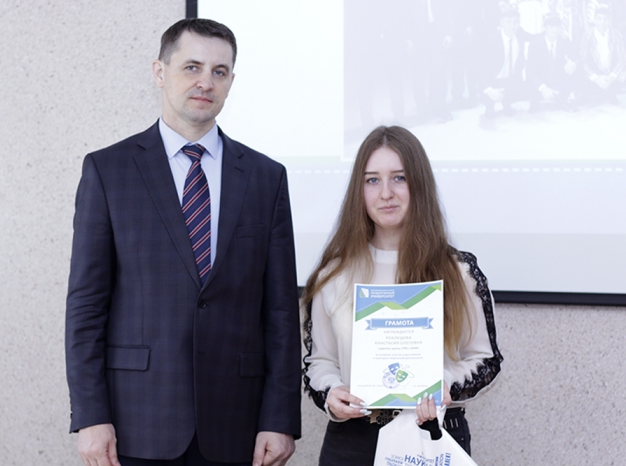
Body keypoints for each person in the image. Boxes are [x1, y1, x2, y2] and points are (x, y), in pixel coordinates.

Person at [65, 18, 301, 466]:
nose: (205, 82)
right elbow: (86, 306)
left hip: (238, 423)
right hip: (138, 422)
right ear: (160, 72)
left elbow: (281, 312)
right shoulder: (109, 171)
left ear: (231, 81)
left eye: (219, 71)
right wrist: (91, 415)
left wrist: (280, 417)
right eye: (192, 67)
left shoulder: (266, 177)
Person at [301, 126, 503, 465]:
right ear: (358, 190)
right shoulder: (333, 275)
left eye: (399, 178)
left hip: (432, 436)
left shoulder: (459, 272)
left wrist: (443, 384)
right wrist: (333, 392)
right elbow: (320, 362)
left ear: (419, 184)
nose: (386, 193)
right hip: (352, 442)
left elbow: (486, 360)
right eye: (372, 180)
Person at [526, 13, 578, 111]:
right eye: (551, 27)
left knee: (575, 69)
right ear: (545, 28)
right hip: (541, 83)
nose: (555, 30)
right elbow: (529, 72)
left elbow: (576, 56)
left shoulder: (563, 41)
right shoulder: (535, 44)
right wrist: (543, 87)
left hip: (557, 81)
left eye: (557, 27)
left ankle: (562, 99)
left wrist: (573, 63)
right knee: (532, 87)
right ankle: (535, 100)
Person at [579, 5, 626, 104]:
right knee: (580, 76)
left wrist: (611, 77)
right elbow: (583, 62)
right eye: (599, 19)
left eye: (605, 19)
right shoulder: (587, 36)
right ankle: (599, 93)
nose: (602, 22)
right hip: (595, 74)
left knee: (624, 75)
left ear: (609, 20)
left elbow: (622, 59)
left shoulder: (616, 34)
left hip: (611, 73)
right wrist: (596, 78)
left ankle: (610, 92)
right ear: (594, 20)